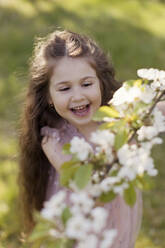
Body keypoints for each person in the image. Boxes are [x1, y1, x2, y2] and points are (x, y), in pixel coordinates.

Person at [19, 29, 142, 247]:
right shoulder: (53, 139)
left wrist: (151, 99)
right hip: (78, 222)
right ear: (48, 96)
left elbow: (156, 107)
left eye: (86, 84)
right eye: (65, 88)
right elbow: (86, 189)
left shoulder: (119, 118)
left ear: (100, 82)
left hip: (118, 215)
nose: (78, 96)